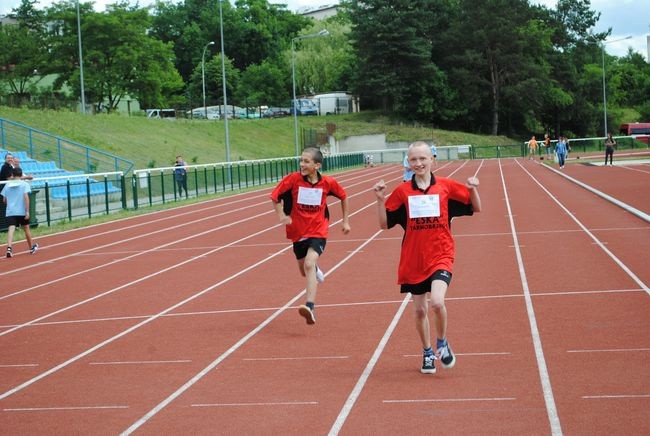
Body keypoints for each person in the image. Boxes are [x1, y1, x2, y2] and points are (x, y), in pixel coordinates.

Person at [373, 141, 481, 374]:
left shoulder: (446, 187)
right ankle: (427, 351)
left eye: (423, 158)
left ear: (433, 160)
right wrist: (380, 200)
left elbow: (476, 207)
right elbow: (384, 224)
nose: (419, 163)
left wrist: (473, 189)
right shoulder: (402, 192)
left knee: (438, 302)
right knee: (420, 310)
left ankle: (442, 342)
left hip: (441, 254)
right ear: (408, 163)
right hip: (414, 259)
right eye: (413, 160)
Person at [270, 147, 351, 325]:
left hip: (318, 230)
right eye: (301, 160)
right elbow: (275, 197)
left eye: (306, 161)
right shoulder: (293, 180)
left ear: (317, 165)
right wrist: (282, 215)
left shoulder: (328, 183)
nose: (302, 164)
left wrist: (345, 221)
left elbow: (344, 196)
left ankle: (310, 307)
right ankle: (315, 270)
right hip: (297, 232)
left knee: (308, 263)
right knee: (304, 271)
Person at [2, 167, 38, 258]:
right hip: (21, 211)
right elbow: (26, 197)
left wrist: (11, 203)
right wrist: (27, 211)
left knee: (11, 228)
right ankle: (31, 248)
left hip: (11, 211)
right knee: (26, 228)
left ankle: (9, 248)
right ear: (21, 175)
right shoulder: (24, 184)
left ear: (13, 175)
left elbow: (4, 200)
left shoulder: (7, 185)